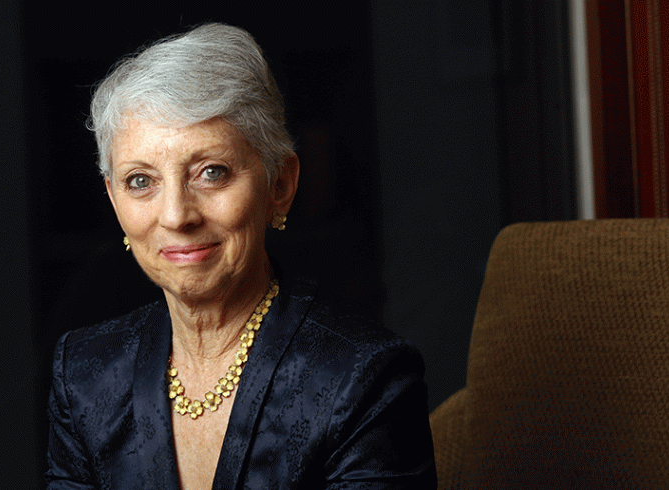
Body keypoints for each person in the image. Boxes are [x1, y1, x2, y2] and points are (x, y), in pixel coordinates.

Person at [46, 23, 436, 489]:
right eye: (141, 181)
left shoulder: (362, 379)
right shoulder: (84, 375)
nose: (175, 215)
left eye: (211, 172)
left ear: (280, 185)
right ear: (113, 200)